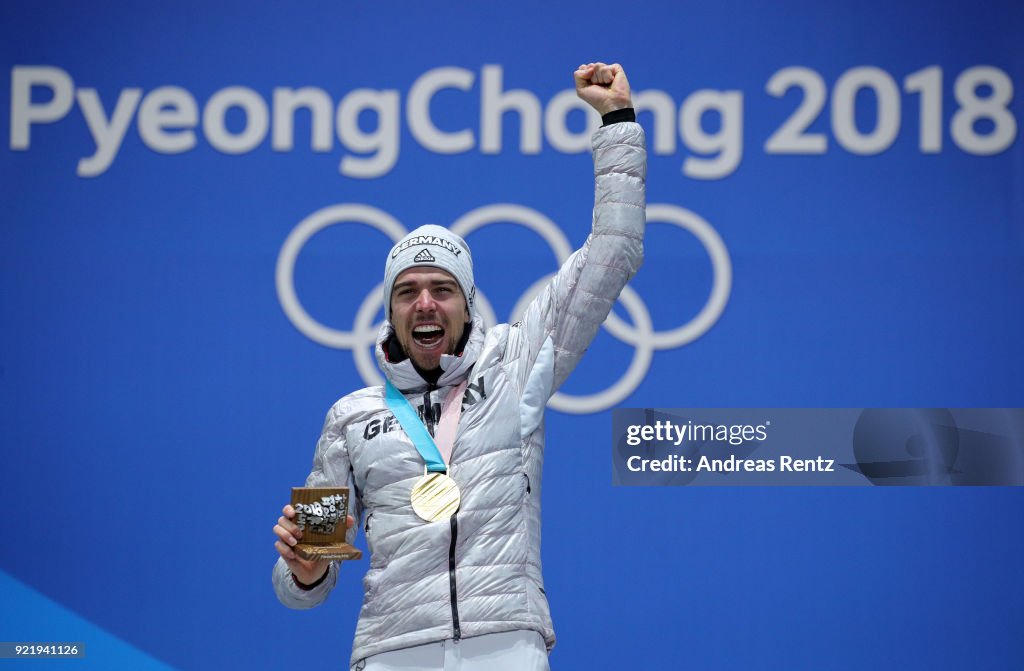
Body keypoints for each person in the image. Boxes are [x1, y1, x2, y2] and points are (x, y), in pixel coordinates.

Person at [272, 61, 646, 671]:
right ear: (390, 310)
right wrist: (306, 570)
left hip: (506, 644)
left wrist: (616, 122)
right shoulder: (350, 418)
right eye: (407, 290)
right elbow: (302, 584)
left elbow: (615, 250)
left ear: (467, 306)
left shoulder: (515, 364)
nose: (424, 302)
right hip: (392, 653)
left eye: (442, 289)